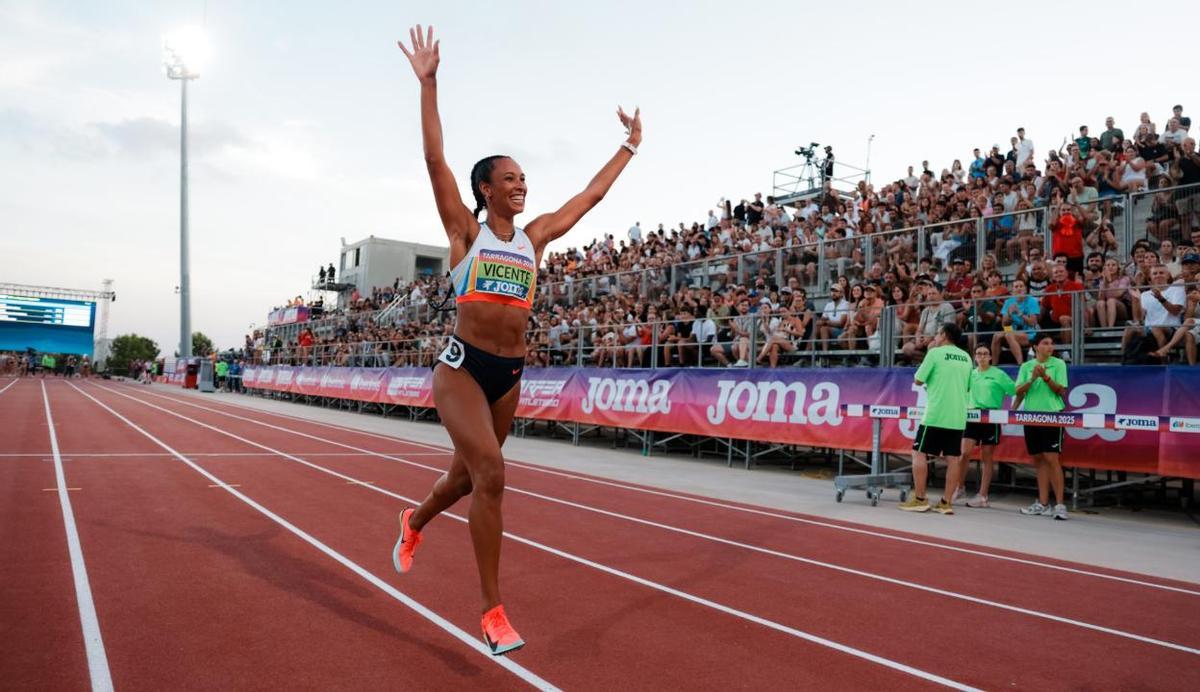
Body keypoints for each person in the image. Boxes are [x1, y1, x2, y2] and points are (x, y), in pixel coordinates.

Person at [392, 25, 641, 656]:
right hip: (462, 370)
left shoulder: (534, 239)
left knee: (469, 481)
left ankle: (414, 519)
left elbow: (591, 197)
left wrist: (629, 148)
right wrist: (429, 85)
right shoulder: (462, 235)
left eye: (524, 177)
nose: (521, 184)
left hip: (510, 374)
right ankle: (492, 611)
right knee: (494, 472)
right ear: (486, 189)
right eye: (510, 178)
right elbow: (434, 161)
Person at [899, 322, 972, 515]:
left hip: (936, 413)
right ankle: (946, 503)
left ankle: (921, 498)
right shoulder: (966, 357)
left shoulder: (935, 353)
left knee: (918, 452)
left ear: (945, 335)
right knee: (953, 459)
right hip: (957, 415)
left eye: (938, 334)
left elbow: (918, 380)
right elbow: (967, 386)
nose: (935, 337)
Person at [1015, 333, 1070, 520]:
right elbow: (1018, 392)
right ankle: (1043, 503)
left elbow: (1061, 391)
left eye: (1051, 343)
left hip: (1052, 416)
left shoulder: (1059, 364)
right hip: (1031, 416)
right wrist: (1032, 378)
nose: (1050, 347)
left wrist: (1045, 377)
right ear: (1035, 346)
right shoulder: (1026, 366)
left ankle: (1060, 505)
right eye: (1045, 343)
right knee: (1038, 459)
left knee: (1052, 458)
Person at [961, 345, 1016, 508]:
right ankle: (959, 487)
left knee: (987, 457)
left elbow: (1015, 391)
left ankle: (982, 495)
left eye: (985, 354)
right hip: (971, 416)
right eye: (979, 354)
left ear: (991, 357)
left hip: (991, 417)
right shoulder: (970, 374)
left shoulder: (998, 374)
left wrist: (1012, 411)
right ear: (975, 357)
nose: (982, 357)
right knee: (964, 453)